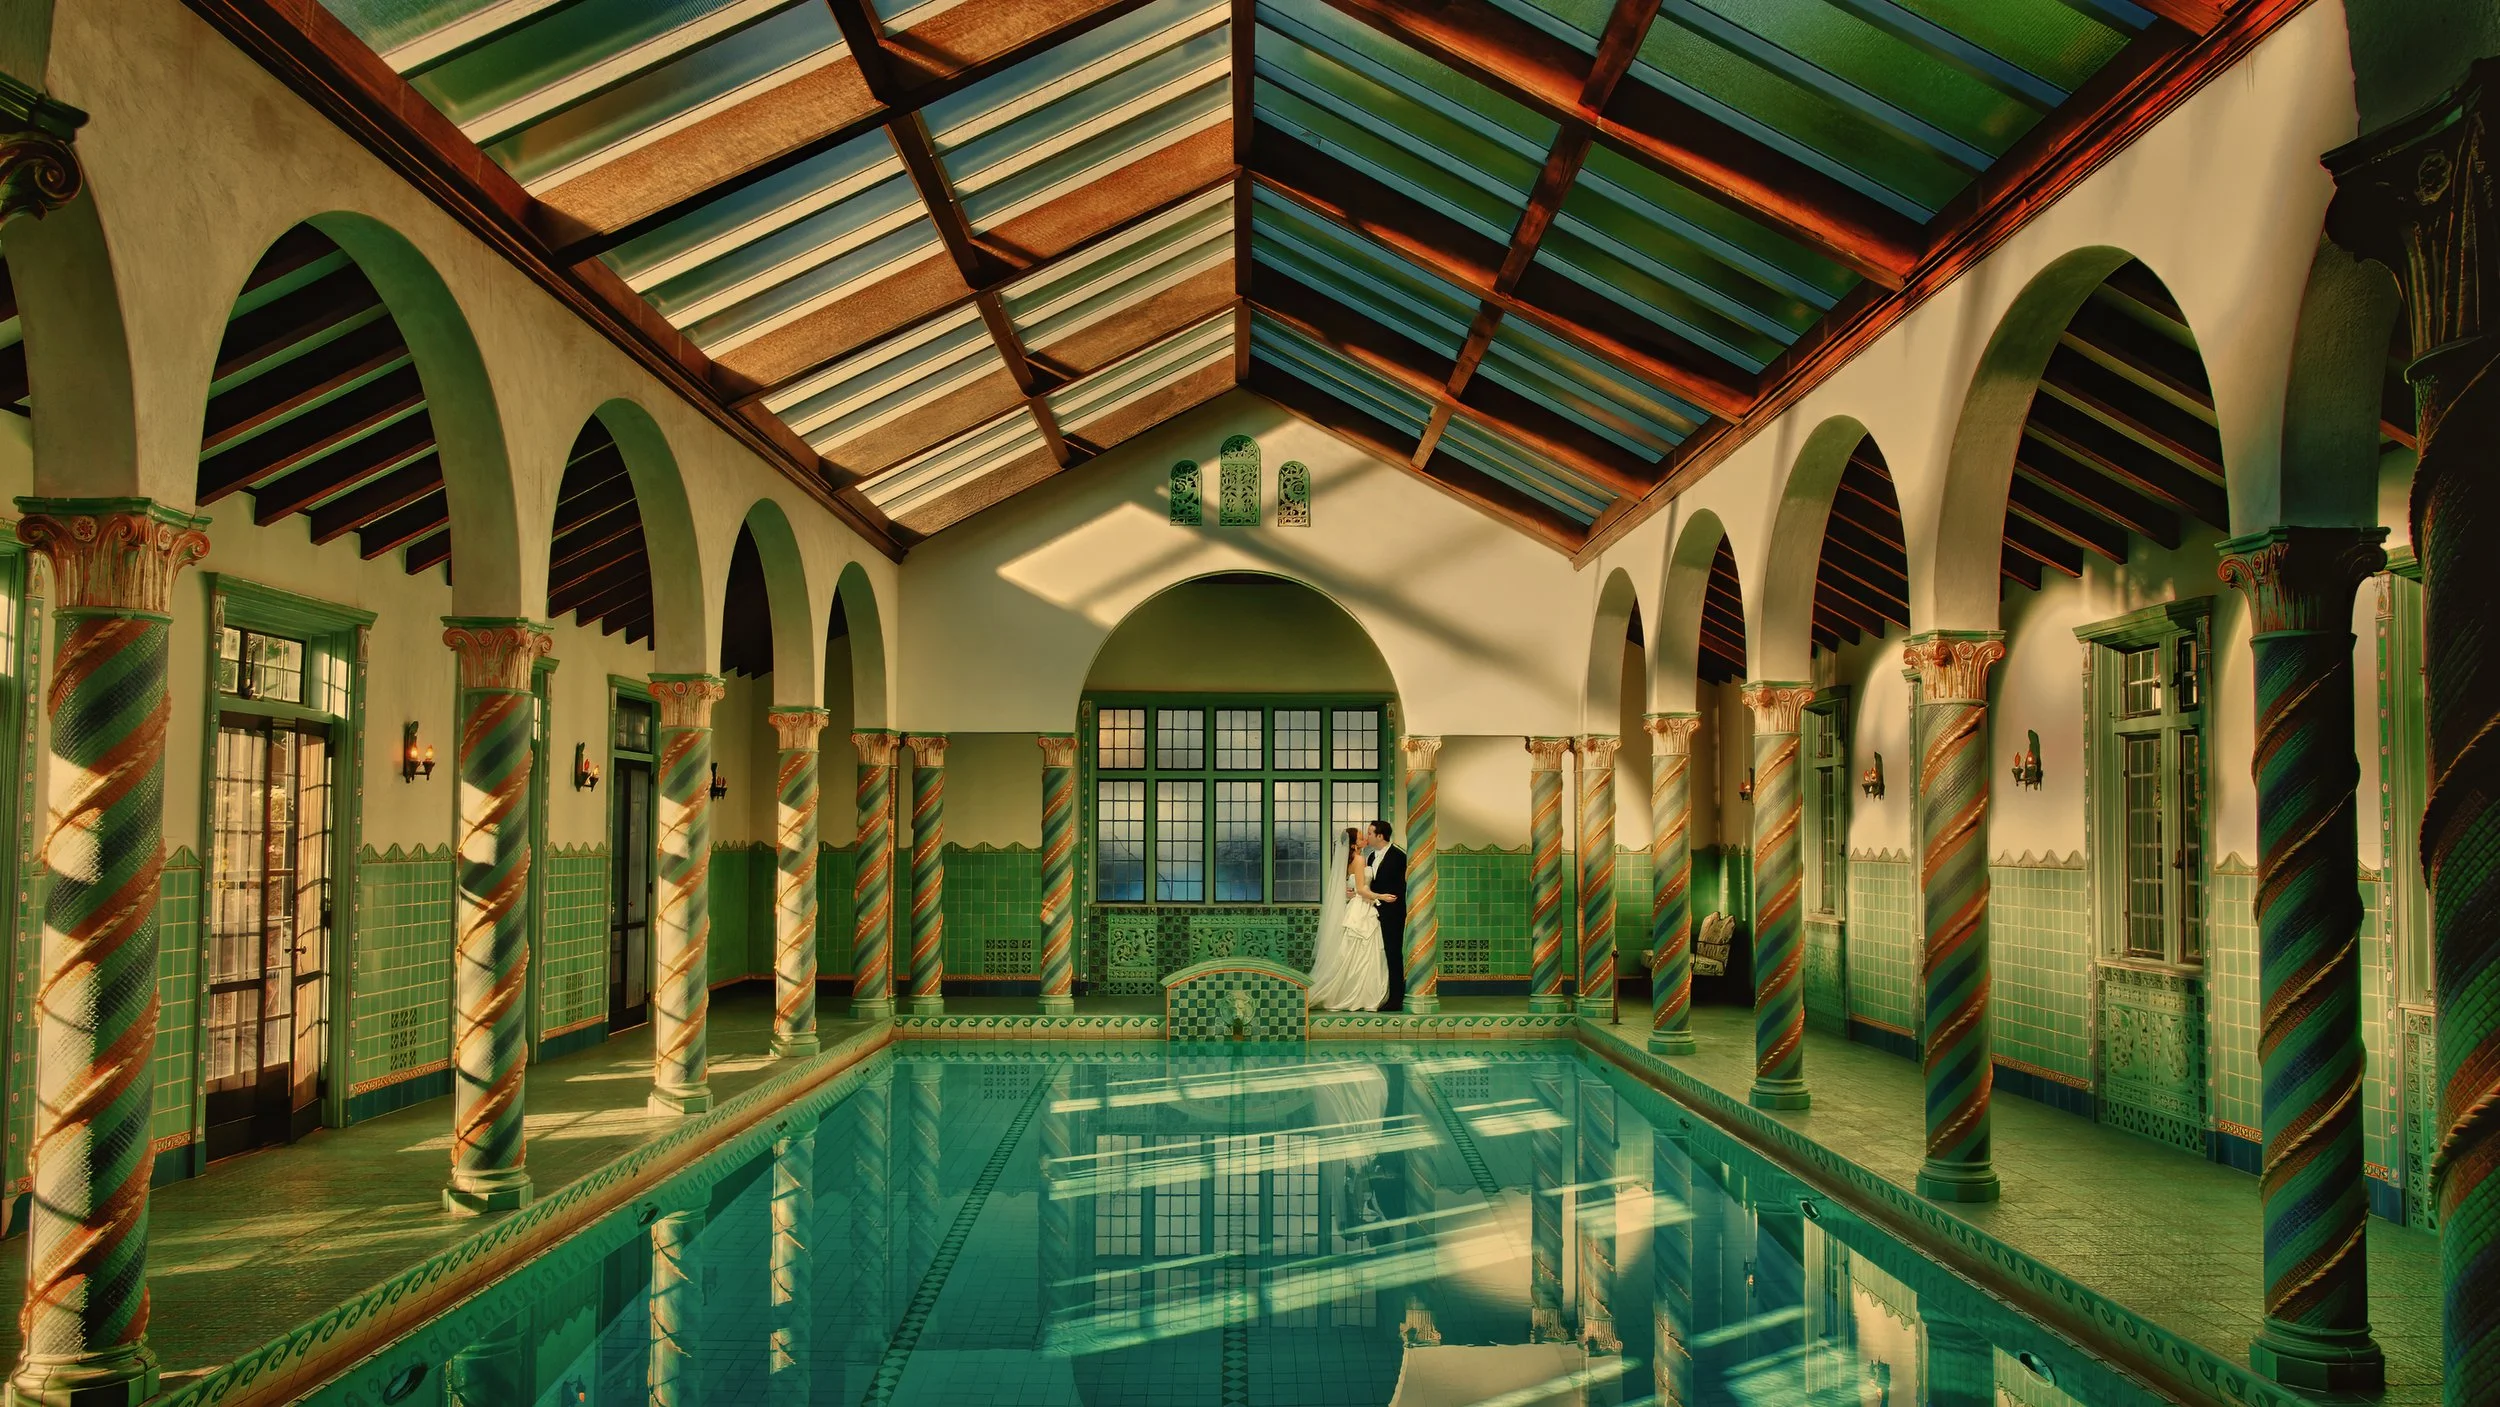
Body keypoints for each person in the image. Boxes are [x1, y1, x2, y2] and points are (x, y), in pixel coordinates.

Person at [1307, 826, 1389, 1011]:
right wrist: (1381, 896)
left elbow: (1350, 886)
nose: (1364, 840)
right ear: (1353, 845)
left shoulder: (1352, 860)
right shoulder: (1359, 860)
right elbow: (1361, 889)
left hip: (1356, 906)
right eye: (1361, 838)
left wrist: (1351, 892)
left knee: (1357, 950)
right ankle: (1359, 995)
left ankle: (1353, 991)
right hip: (1362, 908)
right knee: (1363, 949)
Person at [1365, 819, 1408, 1013]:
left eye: (1370, 833)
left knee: (1393, 953)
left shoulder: (1398, 856)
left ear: (1380, 836)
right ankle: (1379, 993)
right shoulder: (1371, 857)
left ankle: (1396, 997)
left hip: (1393, 912)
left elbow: (1403, 884)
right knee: (1377, 954)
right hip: (1374, 910)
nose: (1368, 837)